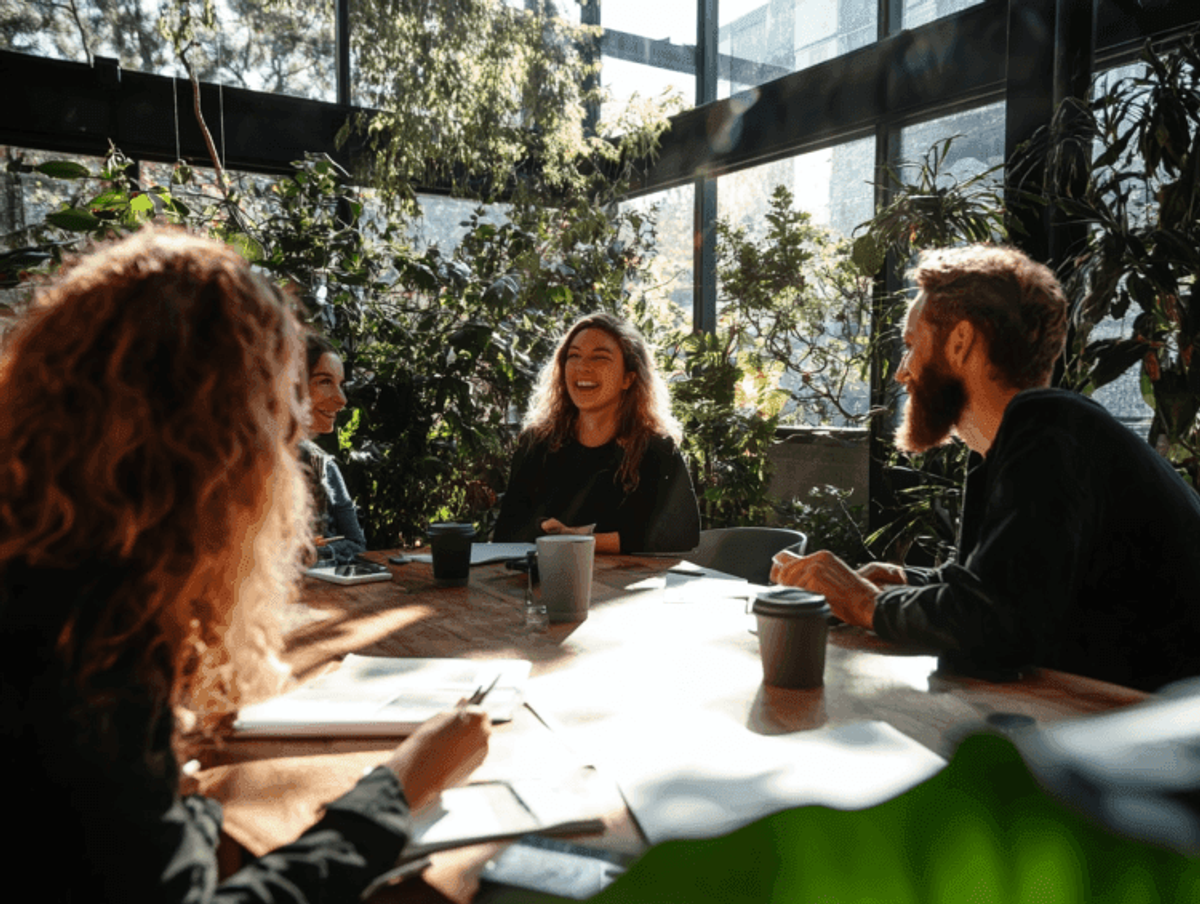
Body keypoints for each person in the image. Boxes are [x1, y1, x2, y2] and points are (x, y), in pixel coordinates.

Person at [0, 228, 491, 902]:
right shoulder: (79, 655)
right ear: (208, 446)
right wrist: (397, 786)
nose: (293, 426)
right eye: (272, 405)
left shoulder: (66, 582)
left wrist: (182, 811)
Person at [771, 244, 1200, 692]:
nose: (902, 372)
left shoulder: (1049, 427)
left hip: (1167, 741)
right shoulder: (1016, 443)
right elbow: (1007, 588)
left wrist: (863, 603)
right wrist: (906, 580)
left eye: (911, 345)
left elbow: (997, 627)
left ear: (960, 342)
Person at [493, 312, 700, 554]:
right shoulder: (536, 443)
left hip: (631, 587)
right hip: (543, 583)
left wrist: (578, 539)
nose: (583, 367)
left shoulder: (656, 448)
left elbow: (680, 534)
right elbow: (506, 532)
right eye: (574, 356)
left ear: (628, 378)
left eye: (600, 358)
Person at [301, 333, 368, 564]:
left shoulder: (322, 465)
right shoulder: (247, 463)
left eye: (339, 384)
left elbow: (357, 544)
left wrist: (315, 554)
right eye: (324, 381)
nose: (341, 399)